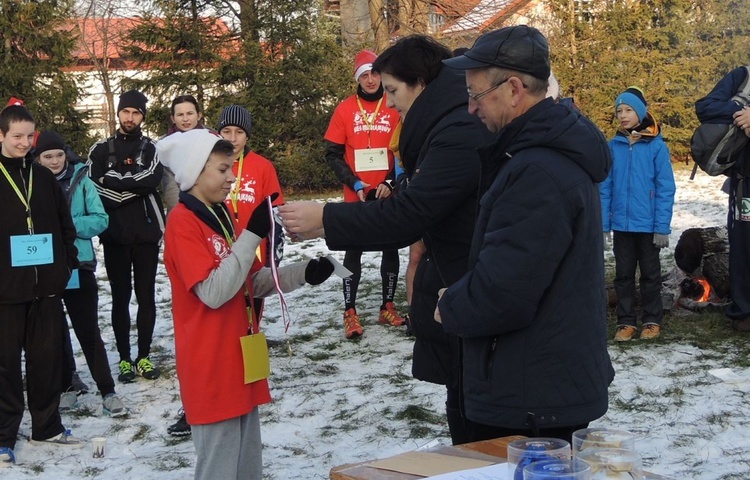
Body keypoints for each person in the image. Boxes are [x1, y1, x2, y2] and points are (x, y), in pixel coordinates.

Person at [278, 35, 494, 444]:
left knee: (478, 435)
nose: (390, 104)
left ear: (421, 83)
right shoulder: (443, 122)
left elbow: (409, 216)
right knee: (465, 416)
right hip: (459, 293)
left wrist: (324, 217)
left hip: (472, 295)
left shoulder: (456, 130)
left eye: (394, 90)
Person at [435, 25, 614, 443]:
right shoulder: (535, 157)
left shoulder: (537, 172)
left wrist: (452, 304)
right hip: (538, 387)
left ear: (514, 89)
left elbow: (505, 291)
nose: (470, 108)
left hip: (531, 401)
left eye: (476, 95)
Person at [157, 128, 334, 480]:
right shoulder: (182, 222)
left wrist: (304, 273)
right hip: (210, 364)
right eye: (222, 169)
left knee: (247, 464)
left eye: (232, 168)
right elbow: (213, 291)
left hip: (240, 356)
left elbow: (251, 281)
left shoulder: (223, 216)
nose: (231, 177)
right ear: (195, 172)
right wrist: (252, 234)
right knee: (220, 466)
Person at [0, 105, 83, 467]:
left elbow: (65, 225)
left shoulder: (43, 176)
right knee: (5, 366)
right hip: (6, 291)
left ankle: (46, 425)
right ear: (1, 136)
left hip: (46, 287)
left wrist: (65, 266)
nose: (23, 143)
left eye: (28, 136)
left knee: (45, 361)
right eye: (16, 136)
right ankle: (4, 435)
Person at [34, 130, 127, 417]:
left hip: (78, 265)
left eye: (58, 155)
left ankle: (107, 390)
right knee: (55, 332)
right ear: (38, 158)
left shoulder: (81, 180)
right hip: (45, 267)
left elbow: (100, 219)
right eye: (47, 156)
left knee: (88, 329)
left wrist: (67, 225)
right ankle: (69, 386)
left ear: (66, 155)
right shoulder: (32, 183)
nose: (54, 161)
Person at [323, 49, 403, 339]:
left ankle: (387, 305)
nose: (370, 80)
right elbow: (332, 154)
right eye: (364, 75)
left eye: (374, 74)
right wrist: (354, 183)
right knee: (352, 251)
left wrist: (391, 183)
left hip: (387, 189)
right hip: (355, 192)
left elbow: (403, 149)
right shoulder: (345, 109)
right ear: (357, 78)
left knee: (390, 246)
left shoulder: (394, 104)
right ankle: (350, 311)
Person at [87, 89, 166, 383]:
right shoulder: (99, 148)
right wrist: (128, 188)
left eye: (136, 113)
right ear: (118, 114)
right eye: (126, 112)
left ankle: (143, 356)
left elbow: (151, 180)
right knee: (120, 298)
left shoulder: (150, 148)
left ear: (142, 116)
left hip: (145, 235)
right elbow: (94, 186)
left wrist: (116, 182)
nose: (130, 117)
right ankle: (123, 360)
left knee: (145, 297)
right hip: (115, 236)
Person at [600, 87, 676, 341]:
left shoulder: (656, 147)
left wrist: (662, 227)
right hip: (622, 224)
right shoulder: (614, 146)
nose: (622, 115)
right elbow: (605, 187)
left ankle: (652, 319)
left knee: (650, 275)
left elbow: (666, 188)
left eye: (628, 110)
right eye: (619, 111)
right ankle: (626, 321)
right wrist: (603, 225)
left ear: (640, 113)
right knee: (622, 275)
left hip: (648, 226)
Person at [695, 67, 750, 332]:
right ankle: (743, 312)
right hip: (745, 182)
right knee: (743, 244)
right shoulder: (743, 76)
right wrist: (740, 114)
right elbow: (705, 108)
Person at [160, 95, 210, 214]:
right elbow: (169, 186)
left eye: (189, 113)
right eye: (180, 115)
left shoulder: (211, 138)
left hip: (210, 203)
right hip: (181, 209)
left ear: (199, 115)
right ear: (173, 118)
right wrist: (183, 212)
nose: (185, 119)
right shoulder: (165, 145)